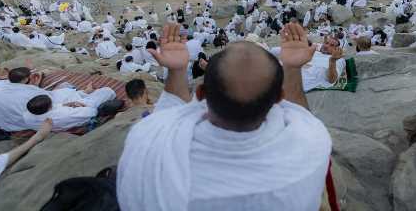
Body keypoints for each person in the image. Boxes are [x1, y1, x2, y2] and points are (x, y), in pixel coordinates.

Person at [117, 23, 332, 210]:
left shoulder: (147, 144)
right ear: (279, 99)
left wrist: (177, 71)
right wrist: (293, 69)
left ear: (200, 95)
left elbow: (168, 120)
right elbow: (302, 117)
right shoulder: (311, 146)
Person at [23, 86, 116, 131]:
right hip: (79, 116)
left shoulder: (27, 115)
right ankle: (86, 93)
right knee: (107, 91)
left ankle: (84, 93)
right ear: (49, 107)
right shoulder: (62, 115)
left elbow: (57, 107)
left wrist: (67, 104)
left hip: (66, 113)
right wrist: (83, 105)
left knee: (71, 96)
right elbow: (91, 112)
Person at [0, 67, 47, 132]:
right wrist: (36, 84)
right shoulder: (33, 91)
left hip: (1, 122)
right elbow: (48, 98)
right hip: (19, 125)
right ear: (25, 79)